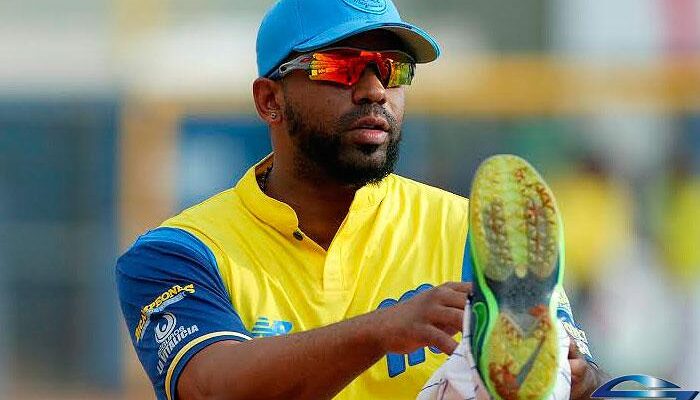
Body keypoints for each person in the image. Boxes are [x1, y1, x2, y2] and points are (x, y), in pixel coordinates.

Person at [116, 0, 604, 399]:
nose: (374, 90)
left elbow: (581, 376)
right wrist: (381, 330)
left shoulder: (472, 229)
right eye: (341, 67)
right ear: (270, 100)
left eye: (392, 69)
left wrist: (573, 377)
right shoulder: (179, 252)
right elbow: (211, 387)